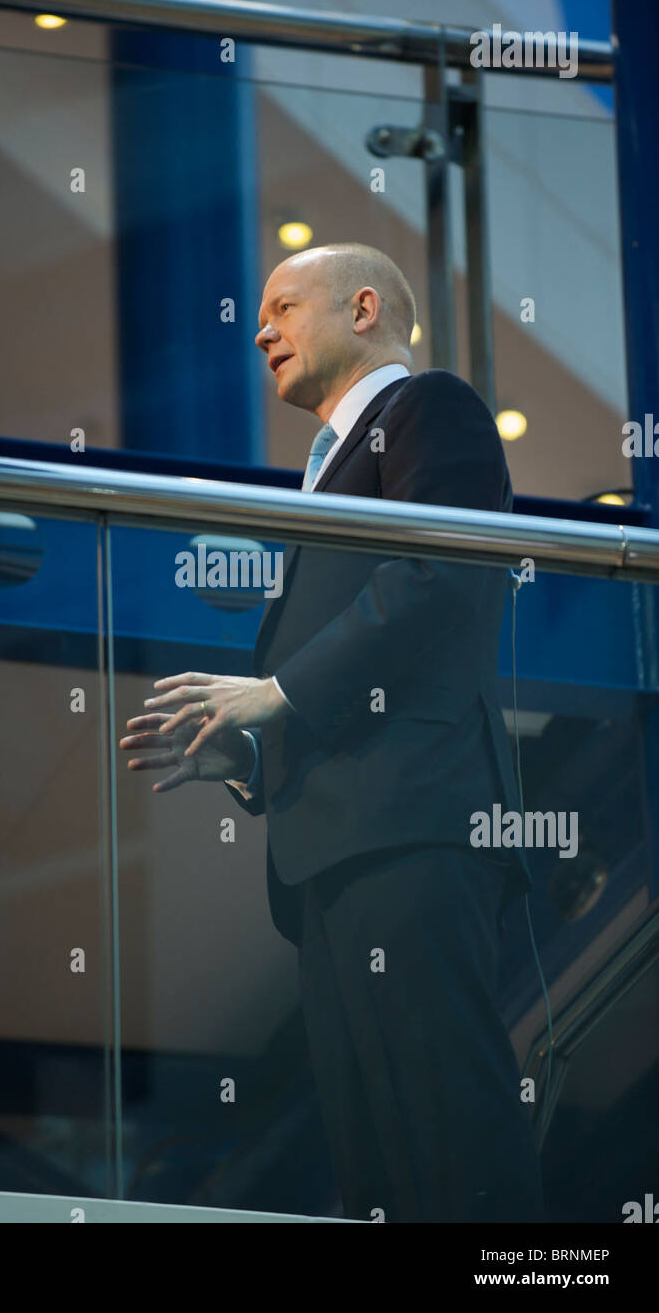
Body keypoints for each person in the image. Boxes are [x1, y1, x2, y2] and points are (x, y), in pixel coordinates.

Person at [120, 242, 545, 1223]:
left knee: (446, 1123)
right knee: (375, 1158)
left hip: (409, 822)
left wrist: (274, 693)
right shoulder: (321, 477)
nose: (258, 329)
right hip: (333, 849)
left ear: (361, 308)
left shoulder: (428, 408)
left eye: (280, 306)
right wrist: (250, 750)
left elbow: (437, 577)